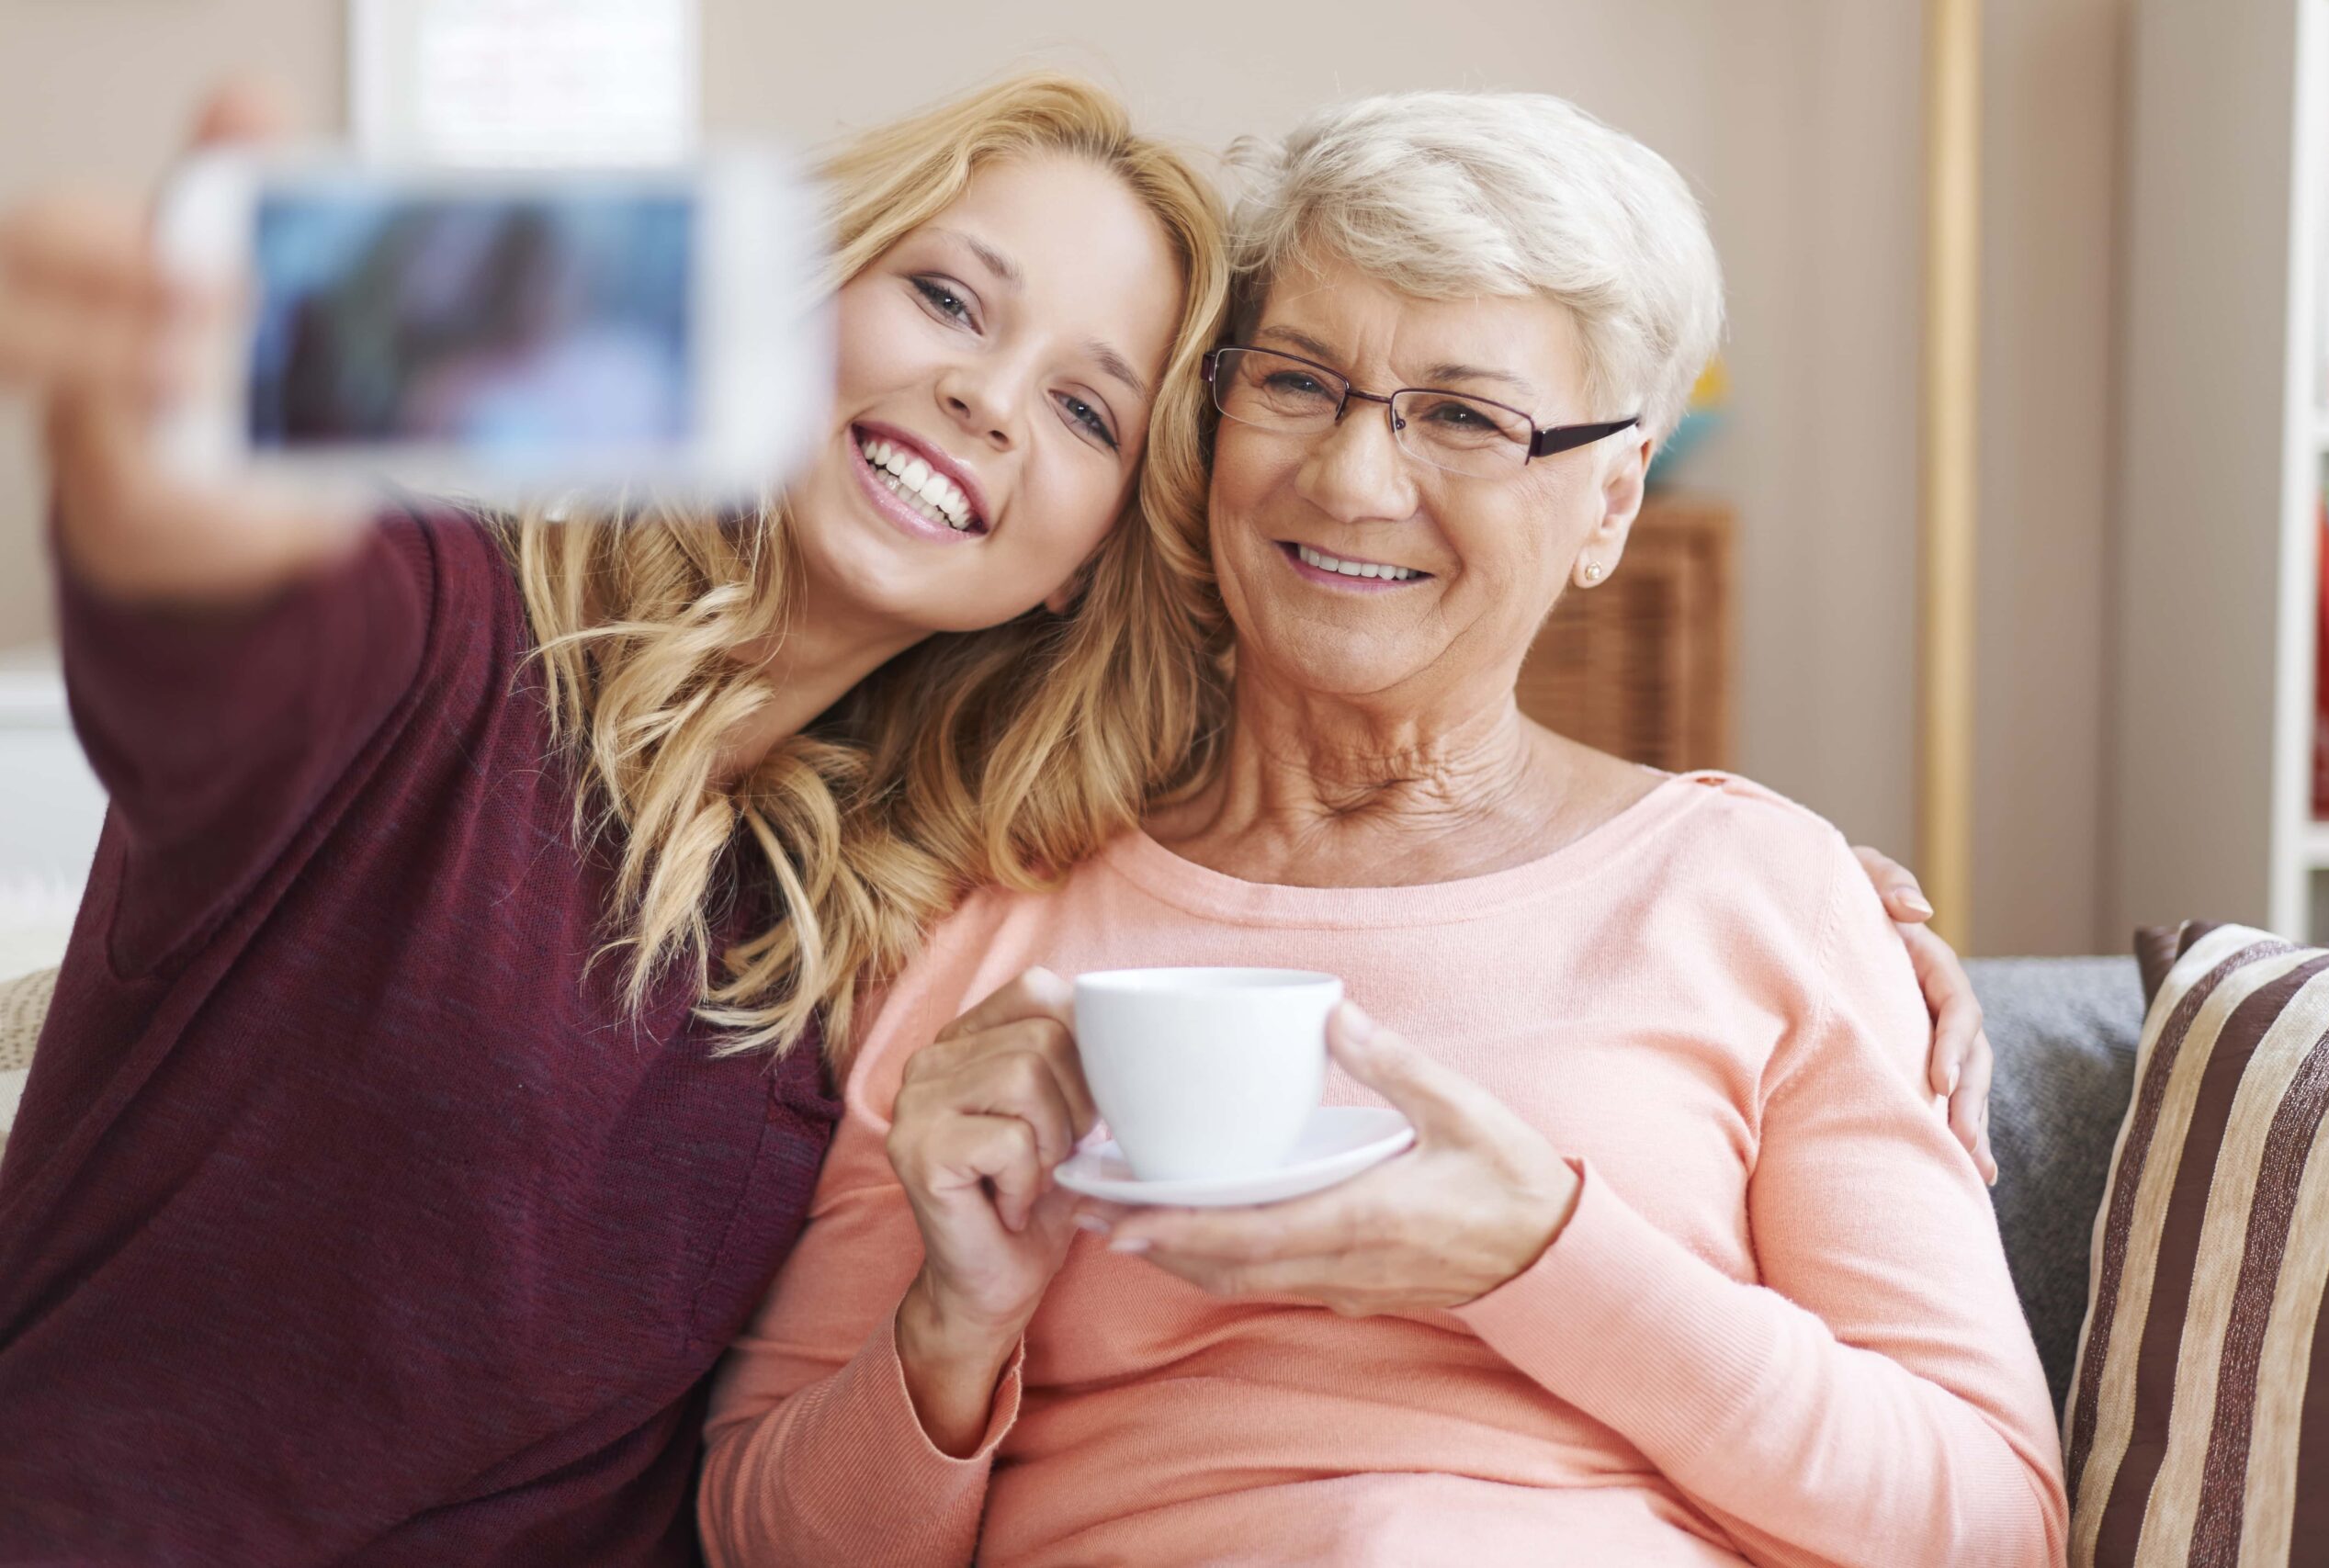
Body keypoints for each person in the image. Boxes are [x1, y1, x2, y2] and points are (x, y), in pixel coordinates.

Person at [699, 89, 2063, 1568]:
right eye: (1296, 382)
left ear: (1610, 503)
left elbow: (1990, 1522)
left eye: (1467, 418)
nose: (1351, 480)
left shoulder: (1761, 894)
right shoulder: (989, 915)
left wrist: (1539, 1252)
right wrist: (952, 1326)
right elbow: (765, 1536)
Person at [0, 73, 1229, 1561]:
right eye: (950, 301)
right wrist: (167, 483)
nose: (987, 396)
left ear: (1080, 571)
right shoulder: (442, 637)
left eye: (1086, 406)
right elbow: (226, 641)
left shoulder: (884, 938)